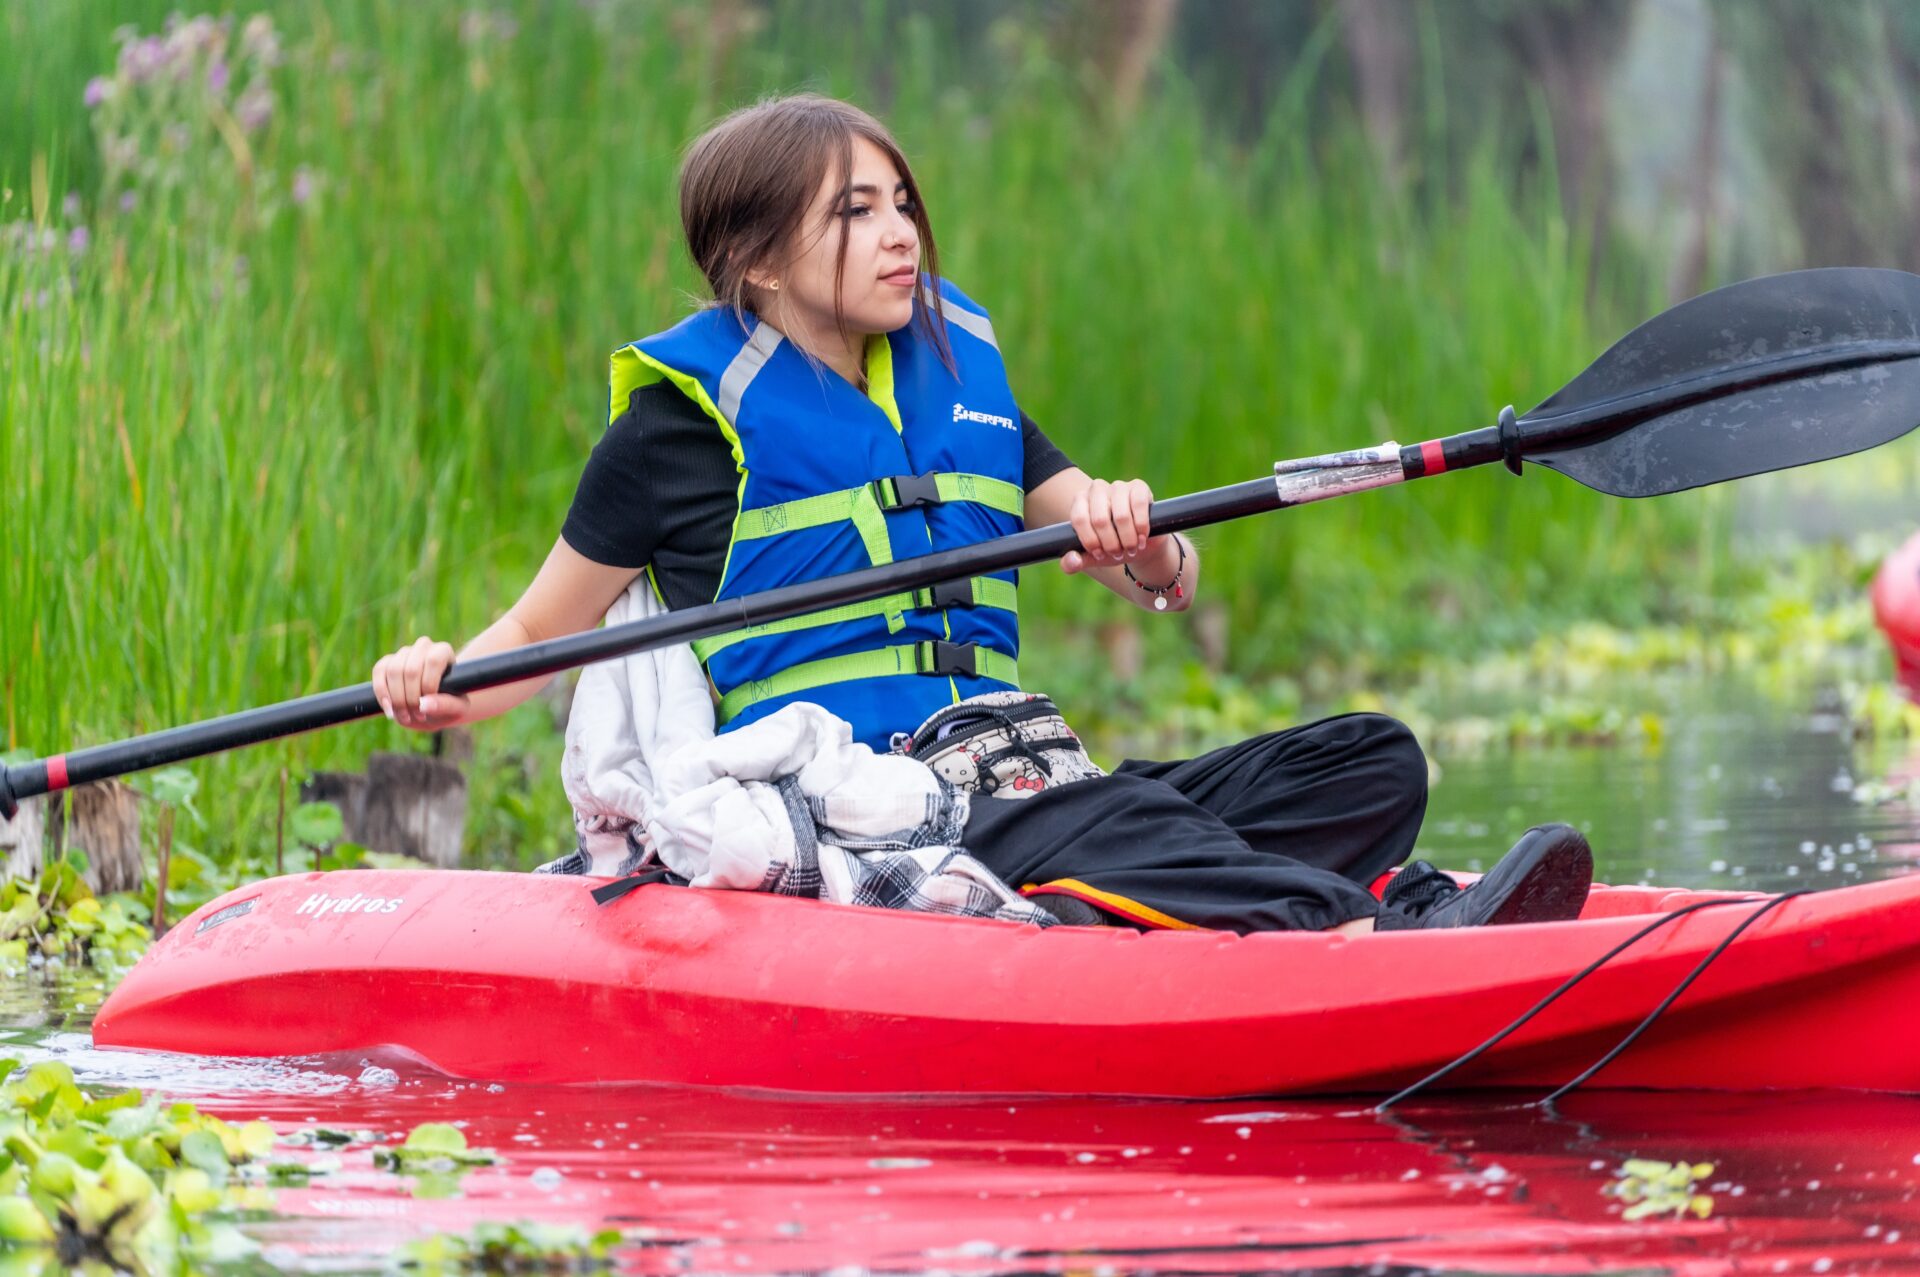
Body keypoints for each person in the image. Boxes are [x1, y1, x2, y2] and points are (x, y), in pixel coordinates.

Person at [371, 94, 1592, 935]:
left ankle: (1180, 896)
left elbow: (1162, 578)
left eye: (901, 200)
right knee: (1129, 821)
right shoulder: (679, 435)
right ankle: (1377, 916)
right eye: (854, 210)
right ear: (755, 259)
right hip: (880, 809)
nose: (900, 231)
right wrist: (437, 676)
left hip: (1025, 775)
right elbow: (538, 632)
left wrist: (1143, 539)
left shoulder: (959, 389)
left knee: (1367, 755)